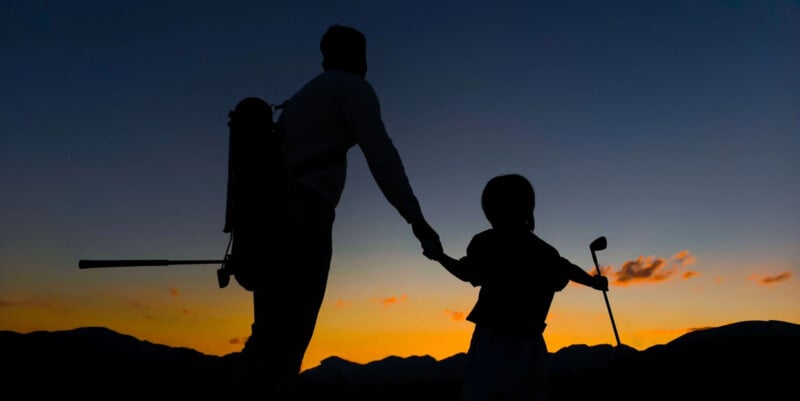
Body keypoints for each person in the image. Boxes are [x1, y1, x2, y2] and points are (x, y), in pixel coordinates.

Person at [240, 24, 443, 395]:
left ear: (324, 57)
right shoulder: (352, 88)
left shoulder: (302, 99)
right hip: (305, 214)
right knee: (290, 334)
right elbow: (382, 154)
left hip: (267, 218)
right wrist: (417, 221)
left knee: (269, 331)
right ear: (359, 57)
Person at [428, 173, 609, 401]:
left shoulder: (485, 243)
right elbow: (567, 269)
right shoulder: (544, 251)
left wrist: (439, 257)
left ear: (491, 209)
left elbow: (467, 273)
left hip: (492, 341)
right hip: (530, 345)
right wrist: (594, 282)